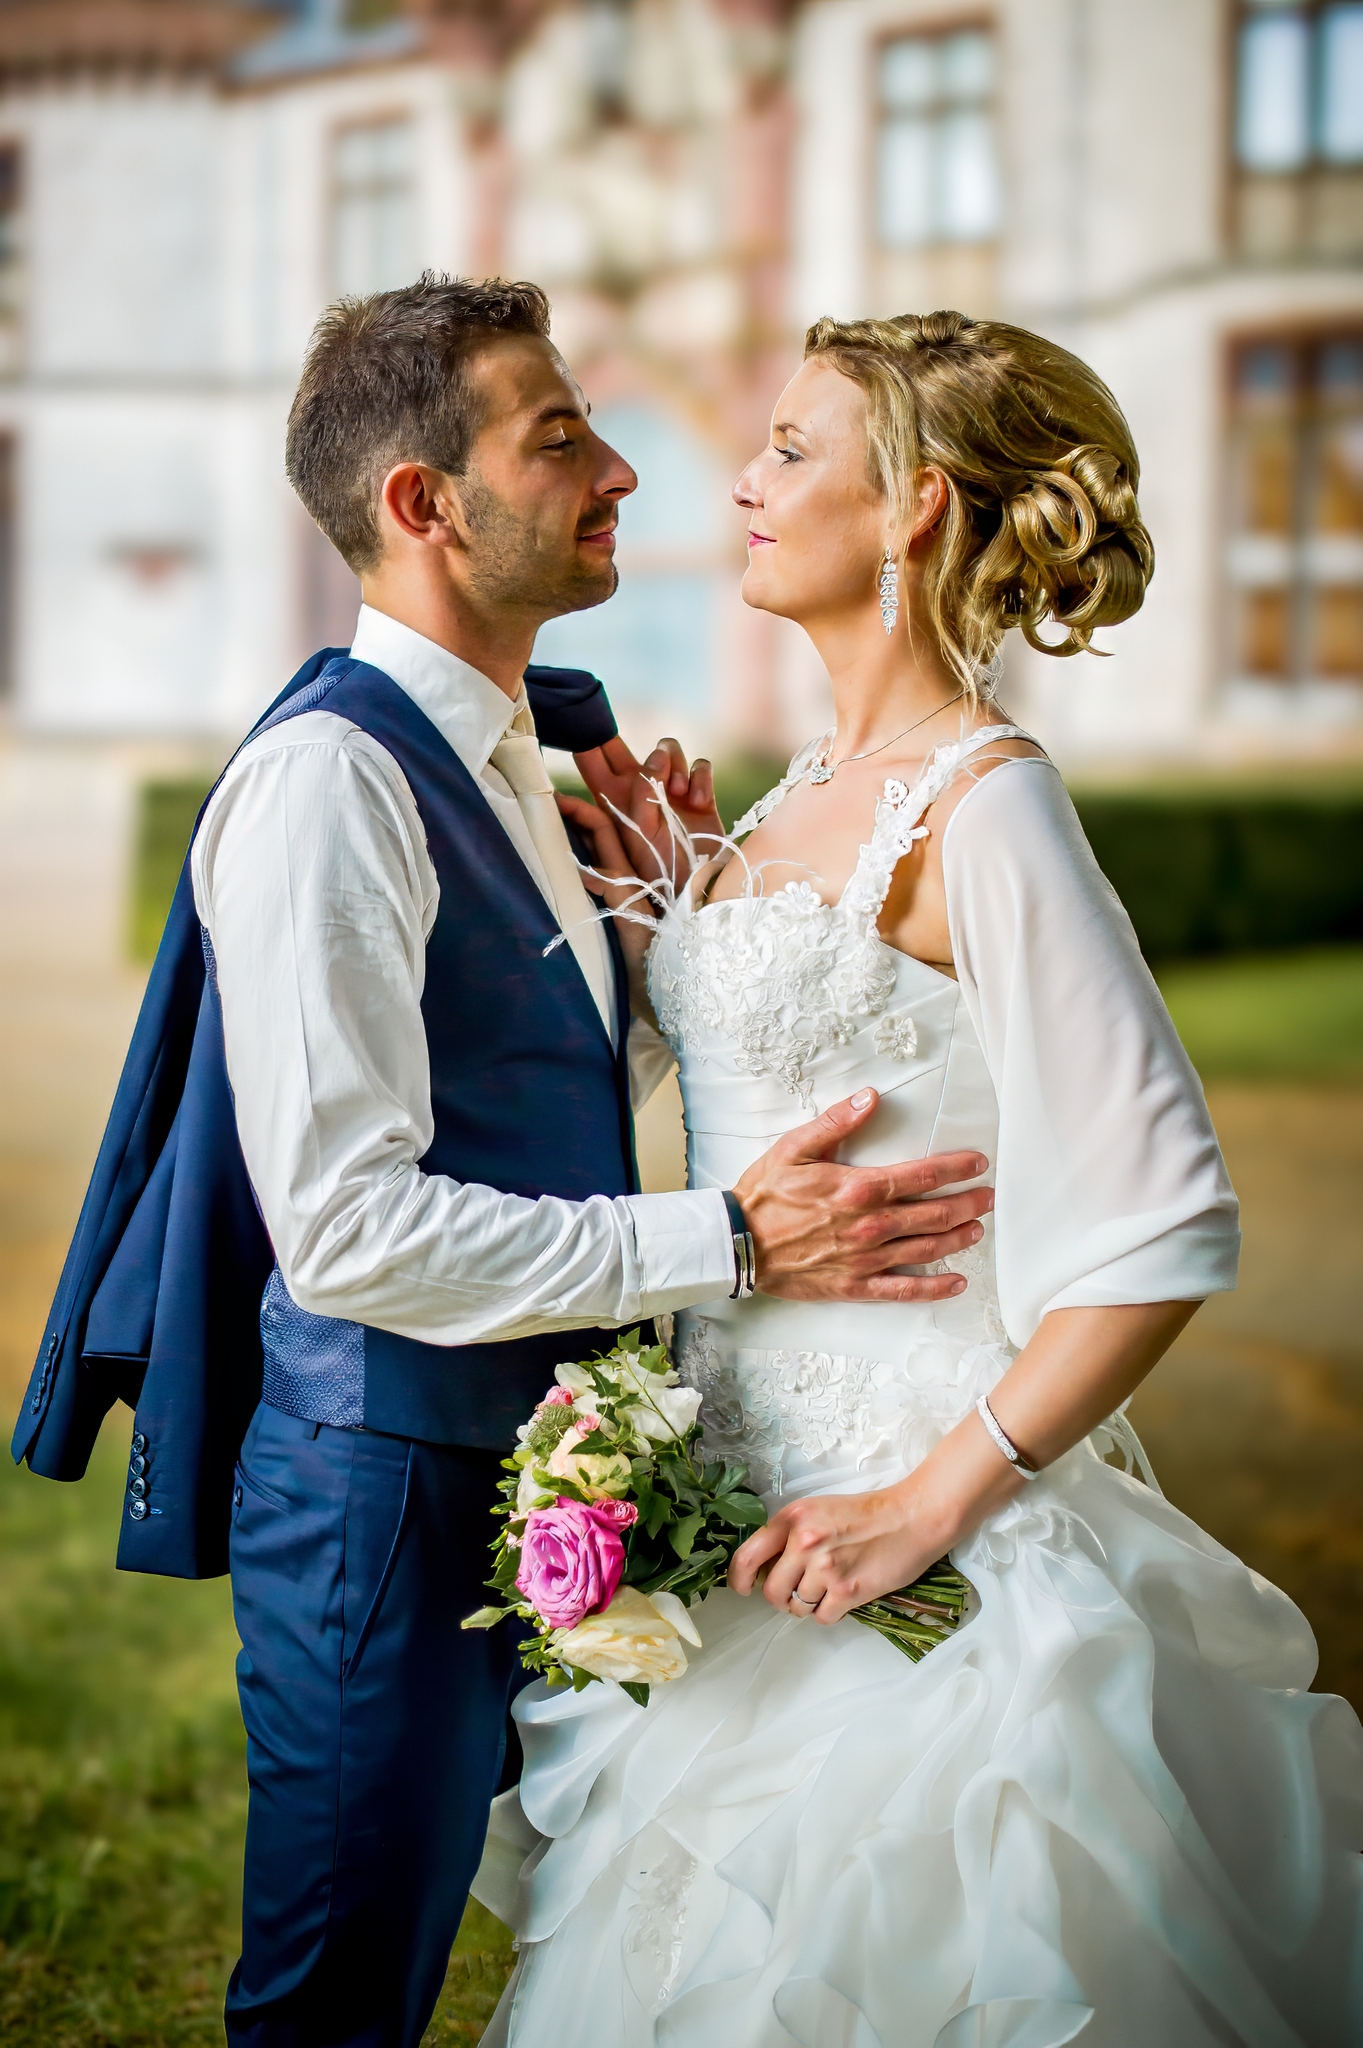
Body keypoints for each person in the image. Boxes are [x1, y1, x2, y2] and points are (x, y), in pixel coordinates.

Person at [478, 311, 1363, 2045]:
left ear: (913, 509)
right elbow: (796, 1072)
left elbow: (1167, 1219)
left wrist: (929, 1505)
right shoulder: (806, 790)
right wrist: (684, 914)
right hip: (734, 1508)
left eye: (792, 451)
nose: (739, 483)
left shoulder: (991, 806)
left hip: (915, 1525)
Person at [176, 279, 1000, 2048]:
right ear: (420, 504)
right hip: (380, 1500)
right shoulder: (332, 782)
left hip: (539, 1475)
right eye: (559, 439)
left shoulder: (512, 759)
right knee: (335, 1995)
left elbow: (524, 1084)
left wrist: (680, 951)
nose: (624, 468)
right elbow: (346, 1232)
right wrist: (725, 1241)